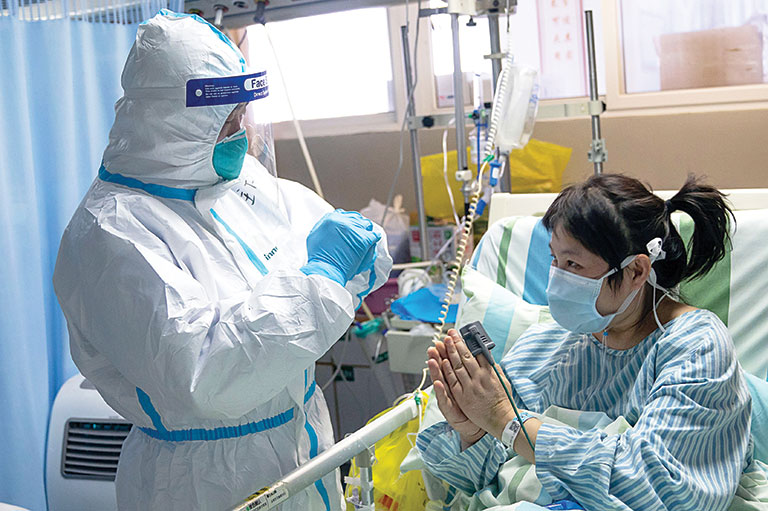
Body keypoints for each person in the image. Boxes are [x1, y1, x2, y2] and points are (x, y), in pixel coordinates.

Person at [53, 10, 391, 511]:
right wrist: (322, 281)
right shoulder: (110, 234)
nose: (241, 132)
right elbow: (211, 374)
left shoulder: (235, 180)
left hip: (302, 449)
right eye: (225, 119)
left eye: (240, 114)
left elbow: (361, 255)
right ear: (173, 121)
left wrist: (332, 272)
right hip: (201, 483)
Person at [419, 174, 754, 510]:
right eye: (555, 260)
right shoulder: (546, 345)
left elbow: (660, 488)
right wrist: (473, 431)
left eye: (573, 264)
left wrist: (507, 422)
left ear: (637, 271)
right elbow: (489, 478)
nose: (556, 278)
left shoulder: (695, 346)